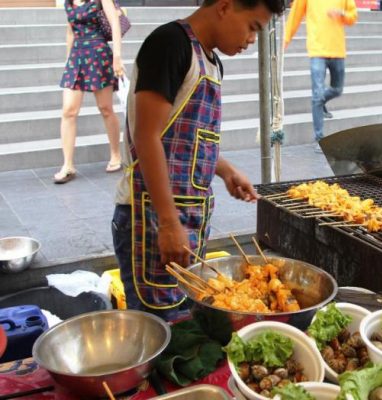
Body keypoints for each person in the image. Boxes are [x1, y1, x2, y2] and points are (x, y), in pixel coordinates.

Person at [111, 0, 285, 320]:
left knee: (183, 317)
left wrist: (224, 169)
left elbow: (182, 139)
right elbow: (146, 137)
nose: (251, 39)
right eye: (252, 27)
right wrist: (167, 221)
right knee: (159, 325)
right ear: (224, 6)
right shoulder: (170, 44)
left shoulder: (212, 63)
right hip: (151, 218)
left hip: (186, 218)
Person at [54, 0, 124, 184]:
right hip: (77, 55)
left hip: (98, 52)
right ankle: (67, 164)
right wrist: (68, 60)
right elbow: (70, 31)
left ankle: (116, 154)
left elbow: (115, 24)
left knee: (106, 108)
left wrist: (117, 57)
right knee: (68, 110)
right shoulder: (68, 2)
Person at [284, 0, 358, 153]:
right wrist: (285, 40)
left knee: (337, 89)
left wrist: (342, 14)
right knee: (317, 95)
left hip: (337, 50)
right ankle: (319, 138)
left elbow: (353, 16)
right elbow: (295, 17)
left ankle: (320, 102)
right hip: (317, 50)